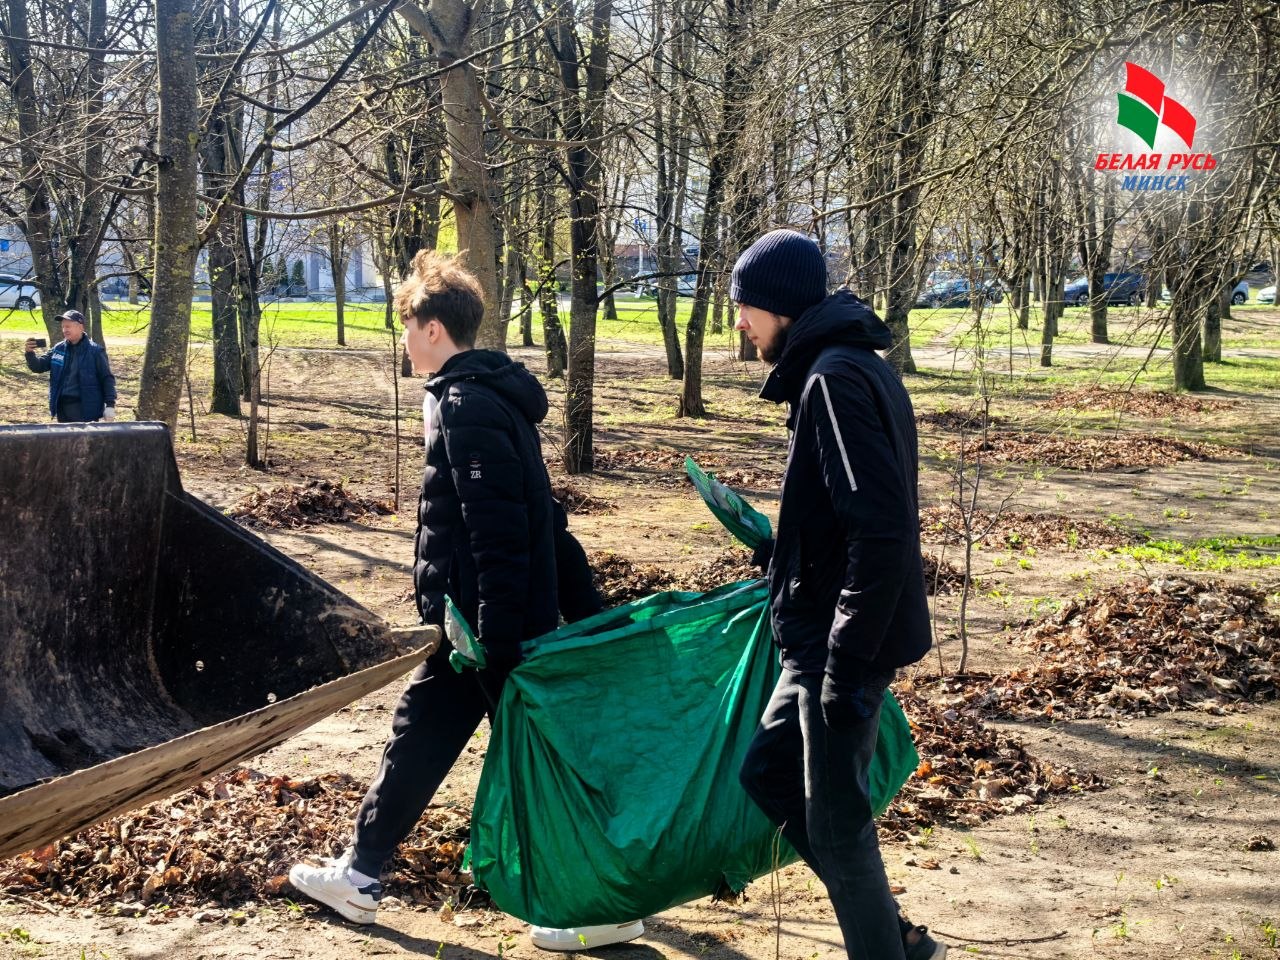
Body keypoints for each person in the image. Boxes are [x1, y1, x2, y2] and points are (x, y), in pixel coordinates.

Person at [288, 251, 643, 951]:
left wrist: (501, 638)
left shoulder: (466, 404)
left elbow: (502, 530)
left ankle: (601, 903)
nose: (403, 341)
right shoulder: (484, 395)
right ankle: (360, 874)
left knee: (537, 762)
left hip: (488, 634)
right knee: (426, 736)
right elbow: (544, 517)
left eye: (406, 326)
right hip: (477, 629)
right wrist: (586, 609)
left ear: (432, 328)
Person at [731, 230, 945, 960]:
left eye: (747, 306)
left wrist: (847, 669)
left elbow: (881, 531)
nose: (740, 321)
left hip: (840, 643)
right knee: (768, 772)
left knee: (836, 824)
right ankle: (897, 937)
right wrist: (782, 555)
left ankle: (887, 947)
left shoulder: (834, 381)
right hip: (822, 630)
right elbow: (842, 514)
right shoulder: (839, 368)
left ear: (782, 306)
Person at [24, 310, 117, 423]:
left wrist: (110, 405)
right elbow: (38, 367)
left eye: (68, 326)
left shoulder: (95, 351)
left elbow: (107, 378)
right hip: (62, 408)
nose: (65, 330)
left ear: (80, 327)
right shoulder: (59, 348)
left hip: (85, 410)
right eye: (63, 327)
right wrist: (29, 353)